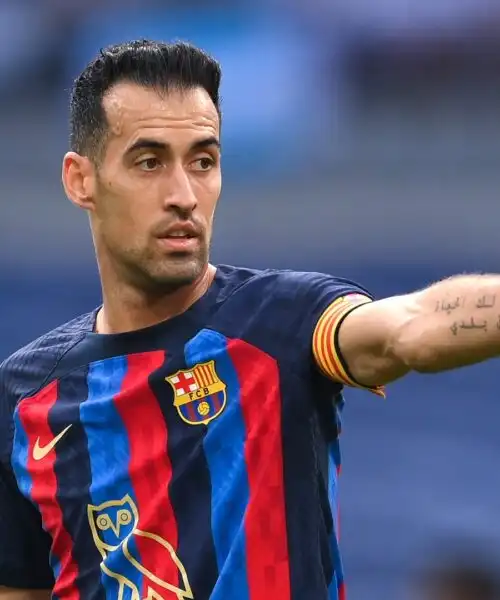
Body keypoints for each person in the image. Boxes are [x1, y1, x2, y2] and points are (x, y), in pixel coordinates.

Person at [1, 39, 499, 600]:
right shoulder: (24, 397)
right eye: (149, 162)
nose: (184, 195)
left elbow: (410, 328)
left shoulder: (281, 321)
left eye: (203, 162)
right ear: (81, 180)